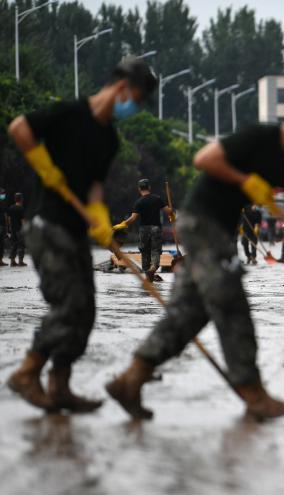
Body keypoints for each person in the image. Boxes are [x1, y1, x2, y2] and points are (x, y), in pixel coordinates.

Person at [106, 87, 284, 421]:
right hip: (203, 223)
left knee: (188, 314)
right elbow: (203, 159)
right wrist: (247, 181)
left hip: (220, 230)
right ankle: (253, 394)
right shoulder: (260, 136)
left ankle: (130, 380)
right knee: (232, 307)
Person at [6, 57, 157, 413]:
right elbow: (18, 128)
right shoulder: (69, 113)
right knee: (70, 304)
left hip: (75, 231)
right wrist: (44, 165)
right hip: (47, 225)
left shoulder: (108, 139)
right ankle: (28, 372)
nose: (134, 106)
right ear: (121, 87)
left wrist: (101, 219)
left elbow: (93, 189)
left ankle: (59, 385)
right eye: (136, 97)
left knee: (86, 311)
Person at [113, 179, 174, 281]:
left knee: (145, 251)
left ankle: (147, 273)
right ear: (149, 188)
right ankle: (153, 267)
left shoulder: (139, 202)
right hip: (156, 228)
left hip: (144, 229)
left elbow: (133, 218)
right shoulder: (157, 199)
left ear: (139, 189)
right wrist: (172, 214)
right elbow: (168, 211)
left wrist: (122, 224)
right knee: (155, 250)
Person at [7, 192, 27, 266]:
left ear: (15, 199)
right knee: (21, 245)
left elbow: (8, 219)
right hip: (19, 229)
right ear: (21, 199)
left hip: (13, 229)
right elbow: (23, 220)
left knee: (14, 245)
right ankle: (20, 261)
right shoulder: (21, 208)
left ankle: (12, 261)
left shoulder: (11, 207)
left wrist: (9, 228)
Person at [0, 187, 8, 266]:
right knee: (1, 243)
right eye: (2, 194)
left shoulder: (3, 203)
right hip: (1, 226)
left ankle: (0, 260)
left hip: (2, 225)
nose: (3, 195)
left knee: (2, 244)